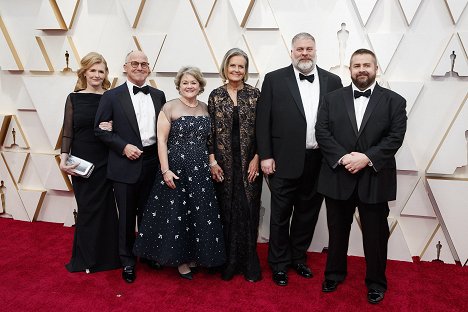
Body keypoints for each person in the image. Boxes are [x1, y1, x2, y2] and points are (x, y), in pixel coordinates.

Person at [315, 48, 407, 304]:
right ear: (350, 70)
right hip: (338, 175)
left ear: (376, 68)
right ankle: (333, 274)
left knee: (376, 236)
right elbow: (322, 132)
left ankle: (376, 282)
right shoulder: (331, 99)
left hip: (375, 178)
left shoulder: (395, 101)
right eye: (357, 65)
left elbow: (395, 138)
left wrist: (366, 158)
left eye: (367, 64)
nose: (362, 69)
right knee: (337, 231)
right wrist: (345, 158)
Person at [256, 32, 343, 286]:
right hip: (282, 160)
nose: (304, 53)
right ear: (291, 52)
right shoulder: (273, 79)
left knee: (308, 213)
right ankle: (279, 264)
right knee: (280, 214)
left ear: (316, 50)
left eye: (309, 49)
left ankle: (297, 257)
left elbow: (338, 122)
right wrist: (266, 155)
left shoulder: (333, 80)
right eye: (299, 49)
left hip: (319, 160)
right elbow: (263, 121)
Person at [133, 66, 226, 280]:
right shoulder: (169, 107)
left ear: (200, 86)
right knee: (177, 215)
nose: (189, 86)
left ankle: (194, 255)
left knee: (199, 213)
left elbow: (209, 141)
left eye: (193, 82)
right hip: (176, 168)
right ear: (179, 85)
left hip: (200, 170)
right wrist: (165, 170)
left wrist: (212, 163)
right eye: (185, 83)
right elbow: (162, 141)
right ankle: (180, 261)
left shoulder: (204, 107)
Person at [94, 50, 166, 283]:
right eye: (134, 63)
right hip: (125, 162)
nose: (139, 67)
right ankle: (127, 261)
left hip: (152, 162)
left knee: (149, 214)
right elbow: (101, 129)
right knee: (126, 216)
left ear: (149, 68)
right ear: (125, 67)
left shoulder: (159, 95)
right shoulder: (111, 96)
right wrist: (123, 146)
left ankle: (146, 254)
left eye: (144, 63)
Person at [59, 52, 120, 273]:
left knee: (106, 209)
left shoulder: (111, 96)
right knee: (86, 209)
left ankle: (109, 259)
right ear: (84, 72)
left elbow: (121, 127)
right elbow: (67, 132)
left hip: (106, 159)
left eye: (100, 71)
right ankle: (85, 259)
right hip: (81, 162)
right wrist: (63, 159)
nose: (96, 74)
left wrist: (114, 127)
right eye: (92, 70)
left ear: (105, 74)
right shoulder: (73, 98)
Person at [207, 48, 263, 282]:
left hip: (250, 162)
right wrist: (211, 161)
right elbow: (209, 132)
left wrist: (257, 158)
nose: (237, 70)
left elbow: (263, 130)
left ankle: (249, 265)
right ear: (225, 67)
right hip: (223, 165)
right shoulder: (215, 95)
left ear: (246, 70)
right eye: (233, 66)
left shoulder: (255, 94)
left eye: (241, 66)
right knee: (226, 212)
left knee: (248, 211)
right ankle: (228, 264)